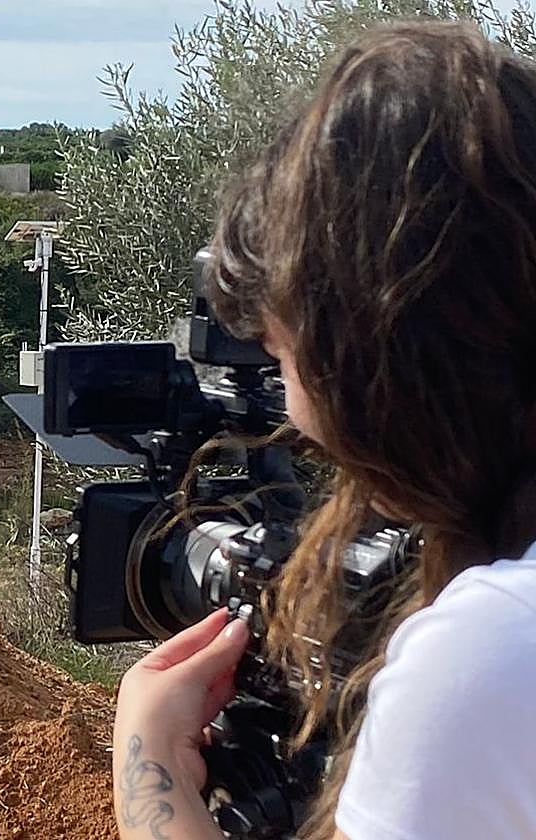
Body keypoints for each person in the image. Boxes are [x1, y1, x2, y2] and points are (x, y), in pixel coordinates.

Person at [112, 20, 536, 840]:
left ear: (363, 362)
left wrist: (148, 769)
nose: (293, 409)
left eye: (282, 354)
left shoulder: (491, 660)